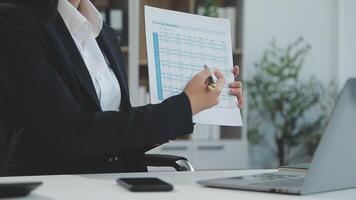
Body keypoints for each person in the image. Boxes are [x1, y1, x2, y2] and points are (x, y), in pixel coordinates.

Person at [0, 0, 244, 176]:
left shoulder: (103, 32)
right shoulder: (14, 22)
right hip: (57, 183)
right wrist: (183, 106)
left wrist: (199, 104)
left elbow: (114, 133)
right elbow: (72, 134)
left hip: (116, 181)